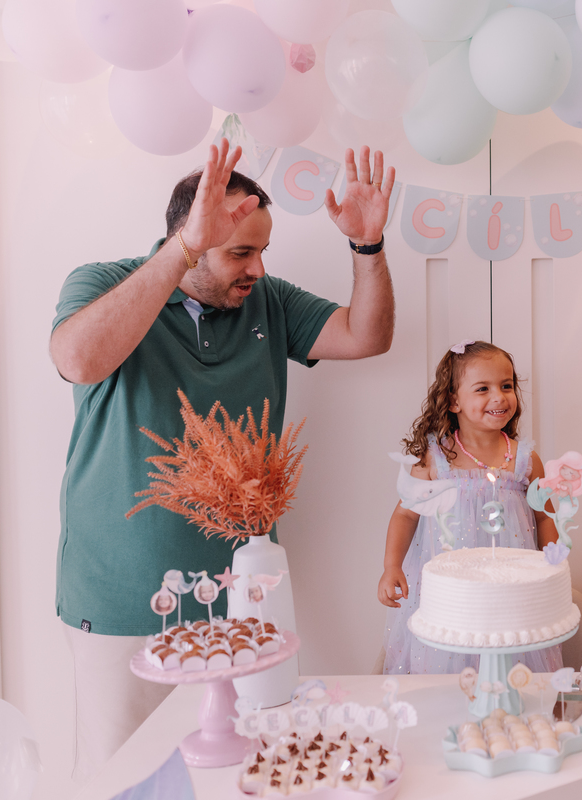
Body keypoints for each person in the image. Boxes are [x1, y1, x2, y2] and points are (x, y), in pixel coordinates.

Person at [50, 139, 396, 781]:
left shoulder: (265, 301)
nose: (258, 268)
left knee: (238, 776)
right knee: (123, 781)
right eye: (241, 251)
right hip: (122, 604)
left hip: (240, 608)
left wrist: (368, 248)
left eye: (262, 250)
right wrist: (181, 252)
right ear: (189, 239)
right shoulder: (101, 283)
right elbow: (78, 360)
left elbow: (366, 335)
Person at [377, 341, 561, 674]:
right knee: (450, 664)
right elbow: (405, 514)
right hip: (450, 595)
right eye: (483, 388)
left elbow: (544, 517)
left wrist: (552, 564)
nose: (499, 397)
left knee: (508, 663)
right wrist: (392, 566)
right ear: (453, 400)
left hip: (510, 592)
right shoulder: (436, 459)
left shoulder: (525, 460)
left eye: (506, 386)